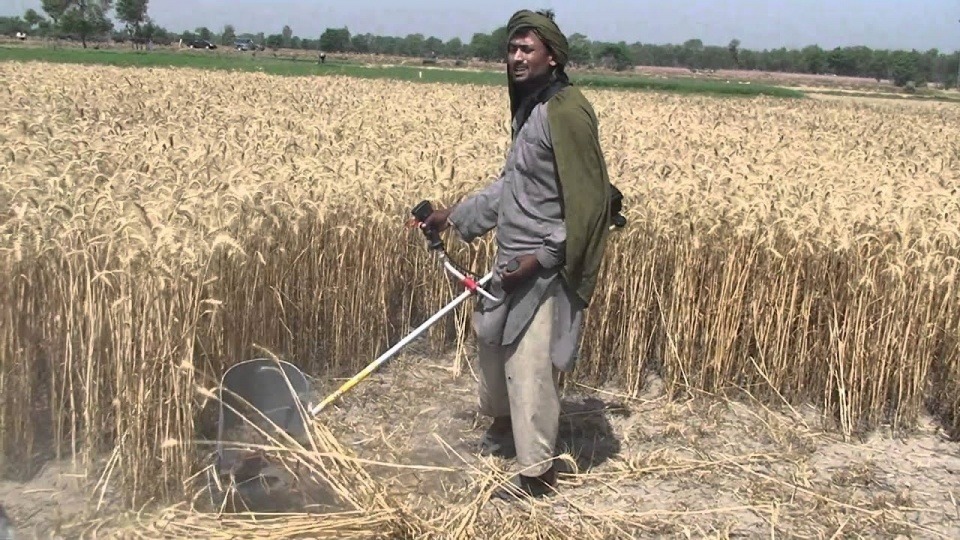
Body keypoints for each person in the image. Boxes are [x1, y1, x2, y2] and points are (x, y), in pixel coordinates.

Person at [419, 9, 612, 500]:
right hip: (513, 257)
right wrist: (454, 217)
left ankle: (536, 471)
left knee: (529, 366)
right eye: (511, 49)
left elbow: (589, 204)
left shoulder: (567, 112)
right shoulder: (531, 109)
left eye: (527, 49)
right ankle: (506, 428)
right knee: (490, 341)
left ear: (552, 55)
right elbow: (513, 186)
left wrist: (544, 259)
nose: (516, 57)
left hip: (544, 265)